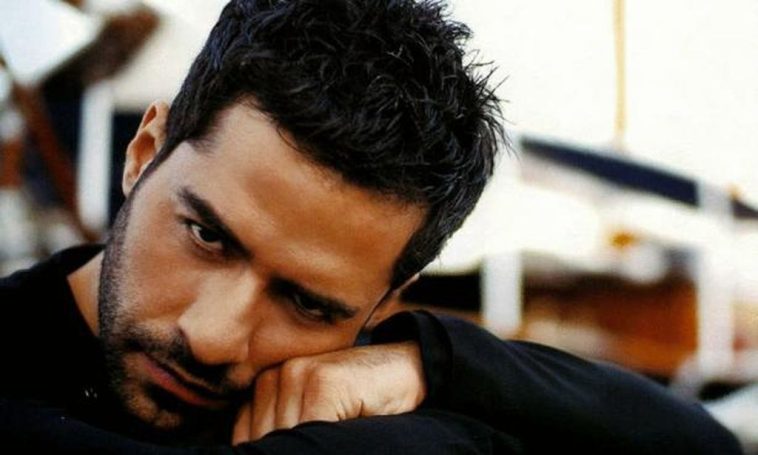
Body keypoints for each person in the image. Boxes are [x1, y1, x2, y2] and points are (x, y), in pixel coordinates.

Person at [0, 0, 742, 453]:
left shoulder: (368, 388)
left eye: (307, 303)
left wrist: (427, 363)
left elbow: (698, 442)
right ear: (143, 154)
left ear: (388, 297)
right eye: (207, 236)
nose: (216, 338)